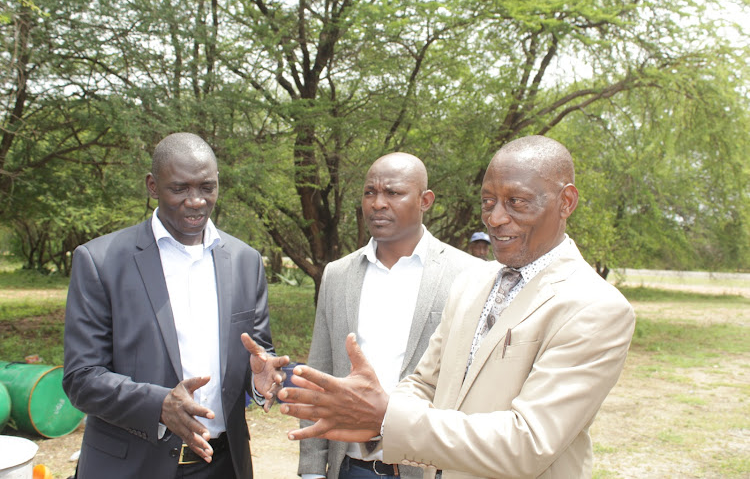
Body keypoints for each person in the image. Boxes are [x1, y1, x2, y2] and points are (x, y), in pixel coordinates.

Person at [280, 135, 636, 479]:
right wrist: (366, 414)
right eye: (487, 202)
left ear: (566, 202)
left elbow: (527, 443)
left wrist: (386, 418)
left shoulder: (595, 308)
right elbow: (423, 383)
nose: (495, 218)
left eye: (517, 202)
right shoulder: (473, 283)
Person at [62, 133, 288, 479]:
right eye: (179, 189)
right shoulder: (101, 261)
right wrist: (158, 405)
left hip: (223, 465)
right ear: (153, 186)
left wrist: (258, 381)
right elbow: (81, 378)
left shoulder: (246, 261)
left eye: (206, 188)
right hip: (130, 468)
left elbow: (256, 353)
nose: (196, 201)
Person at [298, 152, 480, 479]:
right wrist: (312, 470)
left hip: (431, 470)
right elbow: (319, 373)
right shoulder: (337, 275)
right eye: (370, 192)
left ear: (425, 201)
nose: (378, 203)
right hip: (352, 468)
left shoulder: (469, 275)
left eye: (393, 193)